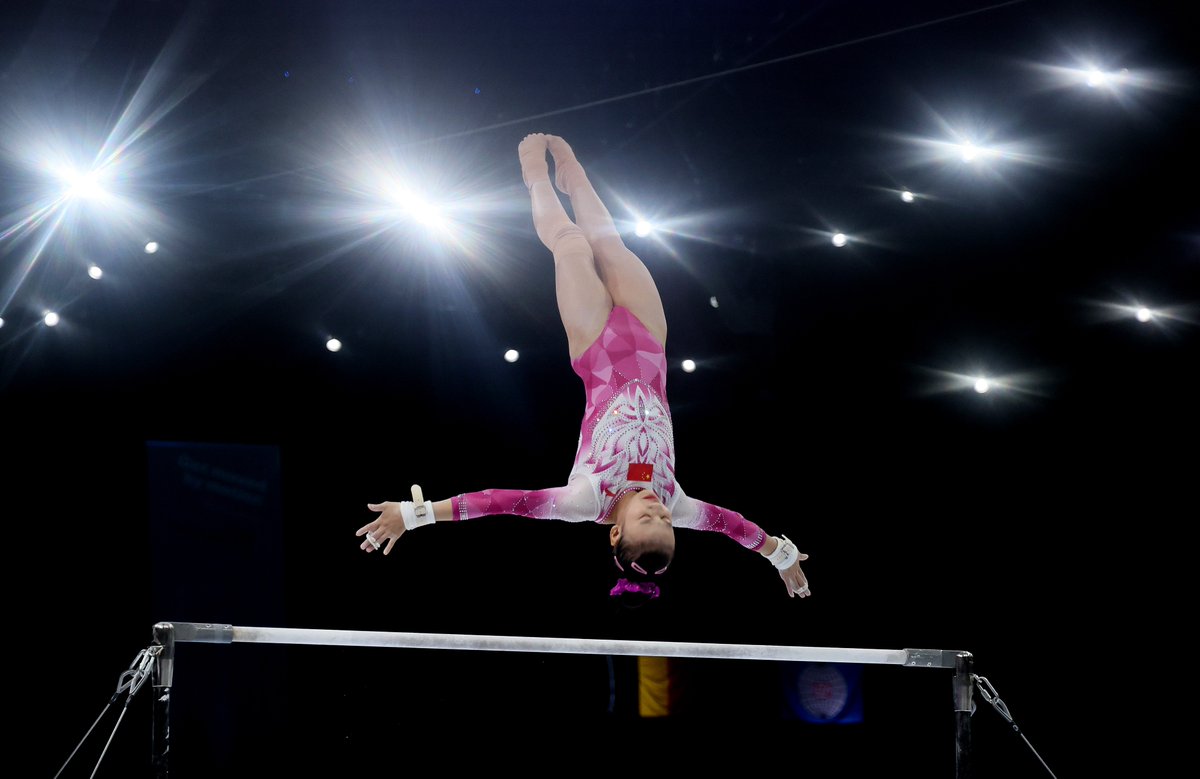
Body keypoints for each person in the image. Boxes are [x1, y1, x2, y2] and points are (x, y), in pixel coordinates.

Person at [357, 133, 810, 605]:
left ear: (614, 534)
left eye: (646, 521)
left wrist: (417, 515)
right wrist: (780, 554)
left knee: (571, 243)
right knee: (608, 239)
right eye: (666, 524)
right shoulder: (677, 502)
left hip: (596, 345)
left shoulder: (586, 502)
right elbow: (735, 527)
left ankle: (534, 175)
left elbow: (503, 502)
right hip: (651, 340)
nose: (659, 512)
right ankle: (571, 170)